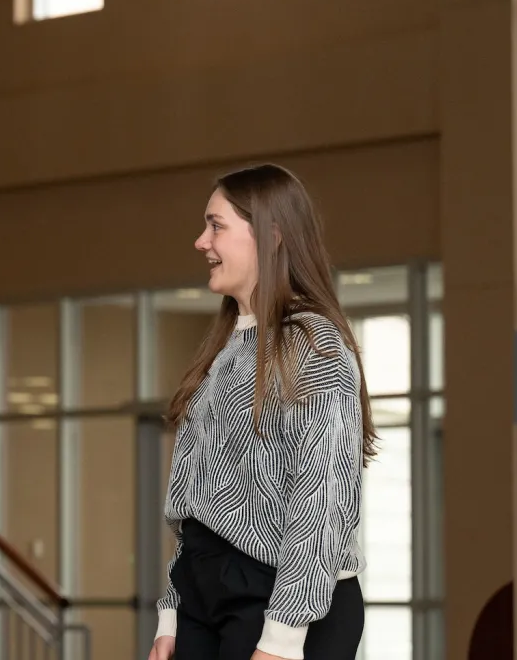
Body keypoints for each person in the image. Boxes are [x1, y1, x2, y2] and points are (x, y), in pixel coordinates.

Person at [149, 164, 373, 660]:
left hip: (280, 603)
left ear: (271, 236)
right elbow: (194, 498)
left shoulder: (314, 345)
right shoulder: (227, 344)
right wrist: (173, 614)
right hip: (206, 595)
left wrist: (282, 639)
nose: (201, 242)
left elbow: (323, 500)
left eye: (216, 225)